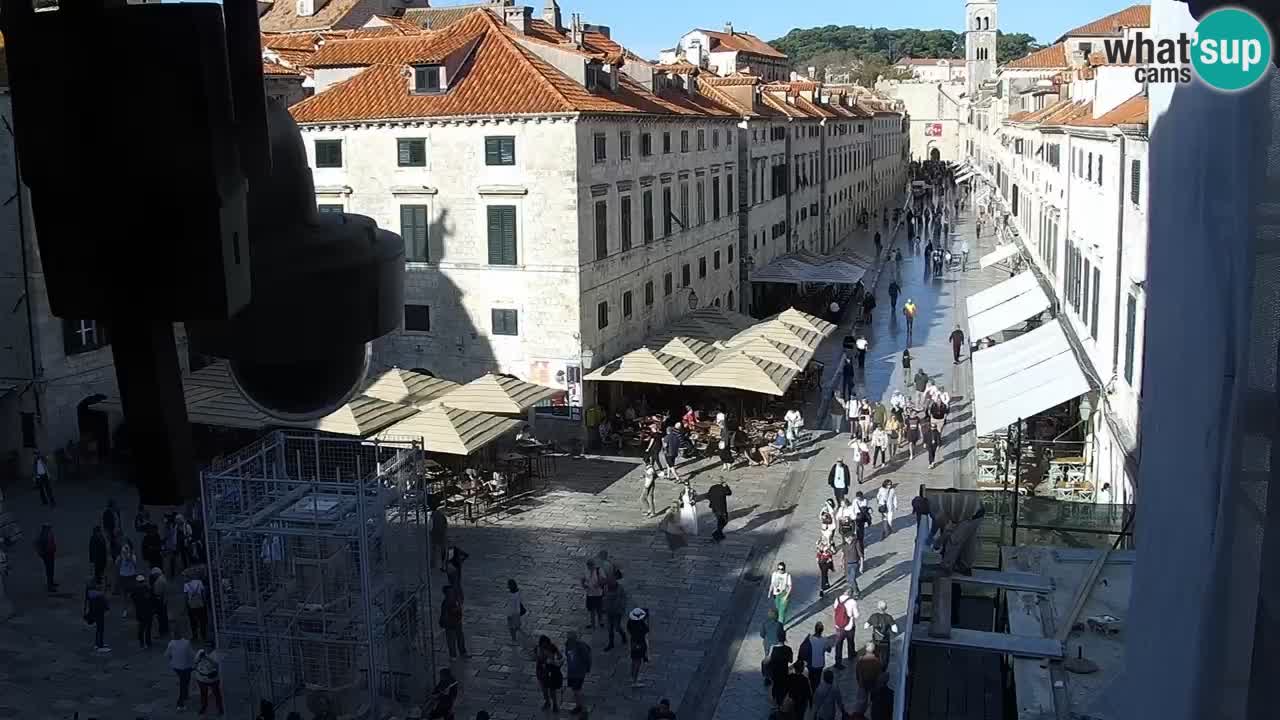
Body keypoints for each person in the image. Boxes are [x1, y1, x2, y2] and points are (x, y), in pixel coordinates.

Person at [798, 622, 833, 691]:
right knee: (817, 680)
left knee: (811, 679)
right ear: (822, 630)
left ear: (815, 629)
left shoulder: (809, 638)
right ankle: (815, 692)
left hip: (811, 664)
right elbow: (829, 650)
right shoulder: (824, 640)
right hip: (820, 664)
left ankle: (811, 691)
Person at [564, 630, 592, 714]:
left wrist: (587, 668)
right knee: (575, 689)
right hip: (572, 671)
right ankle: (579, 706)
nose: (569, 640)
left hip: (579, 672)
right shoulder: (568, 644)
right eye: (568, 638)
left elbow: (587, 658)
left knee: (577, 690)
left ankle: (581, 708)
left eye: (571, 638)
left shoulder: (581, 646)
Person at [166, 628, 195, 710]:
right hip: (186, 667)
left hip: (177, 667)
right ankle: (180, 702)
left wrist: (172, 658)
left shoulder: (171, 643)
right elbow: (192, 654)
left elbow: (167, 654)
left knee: (185, 681)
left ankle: (185, 695)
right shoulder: (186, 643)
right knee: (184, 683)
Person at [865, 600, 900, 666]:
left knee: (876, 652)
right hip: (885, 639)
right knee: (885, 654)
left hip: (876, 638)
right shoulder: (889, 617)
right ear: (886, 607)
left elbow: (865, 626)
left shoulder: (873, 616)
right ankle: (884, 667)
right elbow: (895, 629)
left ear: (878, 607)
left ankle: (875, 664)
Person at [194, 642, 224, 716]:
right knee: (203, 694)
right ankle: (203, 707)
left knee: (216, 694)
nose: (207, 648)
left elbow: (217, 665)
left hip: (212, 679)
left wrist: (207, 658)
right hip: (201, 678)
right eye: (206, 646)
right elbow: (195, 662)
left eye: (209, 647)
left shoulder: (216, 654)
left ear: (213, 647)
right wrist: (199, 658)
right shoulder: (201, 651)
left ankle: (220, 709)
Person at [535, 636, 564, 711]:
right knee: (544, 689)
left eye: (546, 644)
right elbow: (539, 658)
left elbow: (560, 656)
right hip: (541, 671)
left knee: (552, 689)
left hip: (551, 669)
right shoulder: (539, 649)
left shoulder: (552, 647)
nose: (545, 646)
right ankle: (547, 702)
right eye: (543, 644)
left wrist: (555, 661)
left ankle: (554, 704)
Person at [440, 584, 467, 659]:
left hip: (457, 622)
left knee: (460, 637)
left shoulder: (455, 601)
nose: (452, 595)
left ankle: (462, 652)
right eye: (450, 593)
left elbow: (459, 611)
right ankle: (453, 655)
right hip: (450, 624)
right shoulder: (446, 603)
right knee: (451, 640)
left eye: (452, 593)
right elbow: (445, 614)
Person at [855, 643, 884, 710]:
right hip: (873, 684)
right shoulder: (877, 661)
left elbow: (857, 672)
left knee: (862, 702)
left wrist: (859, 682)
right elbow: (879, 674)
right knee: (873, 701)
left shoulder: (861, 660)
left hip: (862, 684)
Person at [760, 607, 786, 680]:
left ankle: (767, 677)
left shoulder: (764, 623)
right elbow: (782, 636)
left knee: (767, 658)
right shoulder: (779, 625)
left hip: (767, 644)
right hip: (776, 645)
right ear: (777, 616)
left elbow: (762, 634)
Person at [602, 578, 628, 651]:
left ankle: (623, 635)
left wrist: (621, 609)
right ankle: (611, 643)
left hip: (617, 612)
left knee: (617, 627)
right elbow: (604, 597)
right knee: (609, 628)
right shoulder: (606, 588)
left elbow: (623, 600)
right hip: (609, 611)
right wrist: (604, 607)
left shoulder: (620, 589)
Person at [626, 608, 650, 687]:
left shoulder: (630, 623)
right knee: (638, 663)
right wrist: (648, 653)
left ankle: (632, 676)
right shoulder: (642, 626)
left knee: (633, 661)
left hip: (633, 643)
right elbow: (646, 638)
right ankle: (635, 681)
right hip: (640, 645)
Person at [84, 579, 110, 652]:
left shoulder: (89, 594)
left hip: (94, 613)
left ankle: (98, 644)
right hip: (99, 614)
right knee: (100, 629)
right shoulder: (99, 595)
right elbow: (105, 605)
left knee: (99, 630)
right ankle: (100, 646)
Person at [131, 573, 154, 648]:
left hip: (139, 611)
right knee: (148, 627)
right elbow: (151, 599)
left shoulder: (134, 590)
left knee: (141, 626)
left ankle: (141, 642)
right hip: (148, 610)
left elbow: (133, 599)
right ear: (143, 581)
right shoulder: (148, 588)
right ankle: (148, 642)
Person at [705, 477, 732, 542]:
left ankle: (720, 534)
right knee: (724, 521)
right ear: (722, 482)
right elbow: (729, 493)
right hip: (722, 508)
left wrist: (712, 501)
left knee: (719, 521)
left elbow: (708, 496)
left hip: (714, 508)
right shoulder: (723, 488)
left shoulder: (712, 487)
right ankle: (716, 534)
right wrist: (726, 486)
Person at [183, 573, 208, 642]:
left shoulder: (186, 585)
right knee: (202, 620)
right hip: (200, 604)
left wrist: (186, 605)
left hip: (192, 605)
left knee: (193, 621)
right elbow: (203, 593)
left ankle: (195, 635)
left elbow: (186, 597)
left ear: (188, 577)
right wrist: (204, 602)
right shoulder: (199, 582)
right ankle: (204, 635)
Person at [34, 523, 57, 592]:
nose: (50, 529)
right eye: (48, 527)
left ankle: (51, 583)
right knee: (49, 570)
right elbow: (38, 544)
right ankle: (50, 586)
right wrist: (42, 553)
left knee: (51, 569)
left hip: (51, 553)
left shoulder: (49, 534)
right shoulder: (43, 535)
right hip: (47, 554)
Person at [428, 502, 449, 571]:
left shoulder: (432, 515)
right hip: (442, 534)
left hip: (434, 534)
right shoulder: (442, 515)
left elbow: (430, 526)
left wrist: (430, 533)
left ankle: (433, 564)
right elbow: (445, 524)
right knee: (442, 550)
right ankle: (443, 565)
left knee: (433, 549)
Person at [845, 533, 864, 599]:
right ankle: (853, 589)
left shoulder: (856, 543)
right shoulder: (846, 545)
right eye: (845, 538)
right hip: (847, 564)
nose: (846, 539)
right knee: (848, 579)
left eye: (847, 538)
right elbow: (843, 552)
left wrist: (861, 565)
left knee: (852, 579)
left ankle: (856, 592)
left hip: (854, 564)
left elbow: (860, 555)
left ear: (850, 537)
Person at [506, 579, 525, 643]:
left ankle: (514, 640)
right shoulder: (518, 592)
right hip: (517, 612)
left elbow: (511, 607)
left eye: (508, 584)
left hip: (512, 613)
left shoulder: (511, 595)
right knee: (516, 624)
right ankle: (518, 627)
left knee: (511, 628)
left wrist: (509, 615)